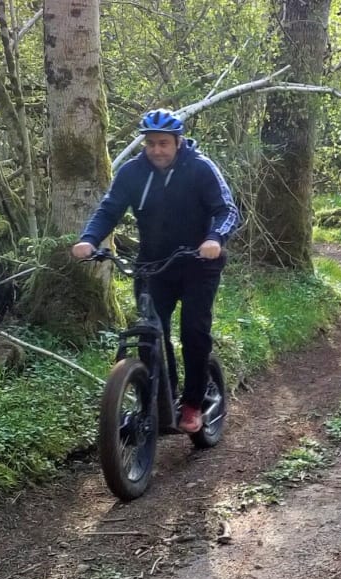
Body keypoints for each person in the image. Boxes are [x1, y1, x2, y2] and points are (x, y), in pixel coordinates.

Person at [71, 108, 241, 433]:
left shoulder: (200, 168)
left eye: (163, 143)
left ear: (178, 142)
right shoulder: (132, 173)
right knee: (152, 333)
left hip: (199, 264)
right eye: (150, 143)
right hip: (152, 265)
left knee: (193, 330)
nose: (157, 150)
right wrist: (89, 239)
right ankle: (159, 400)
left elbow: (226, 210)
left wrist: (214, 238)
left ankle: (192, 403)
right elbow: (109, 209)